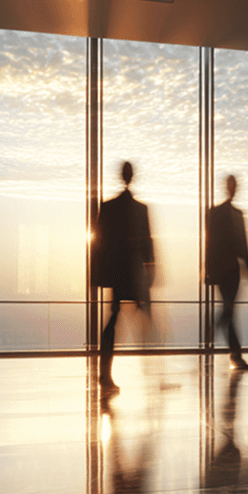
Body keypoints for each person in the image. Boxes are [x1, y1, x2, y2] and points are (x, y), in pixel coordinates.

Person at [92, 161, 154, 393]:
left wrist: (98, 276)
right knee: (138, 317)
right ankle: (149, 373)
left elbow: (98, 243)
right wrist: (150, 270)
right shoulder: (140, 209)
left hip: (119, 272)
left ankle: (105, 373)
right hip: (132, 272)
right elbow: (147, 244)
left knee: (115, 317)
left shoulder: (109, 208)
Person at [205, 175, 248, 370]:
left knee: (229, 310)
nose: (234, 189)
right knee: (229, 309)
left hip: (229, 269)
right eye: (232, 186)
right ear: (228, 188)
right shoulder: (218, 213)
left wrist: (247, 266)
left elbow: (242, 243)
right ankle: (234, 354)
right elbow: (210, 243)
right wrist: (207, 270)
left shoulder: (230, 214)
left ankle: (234, 353)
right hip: (226, 269)